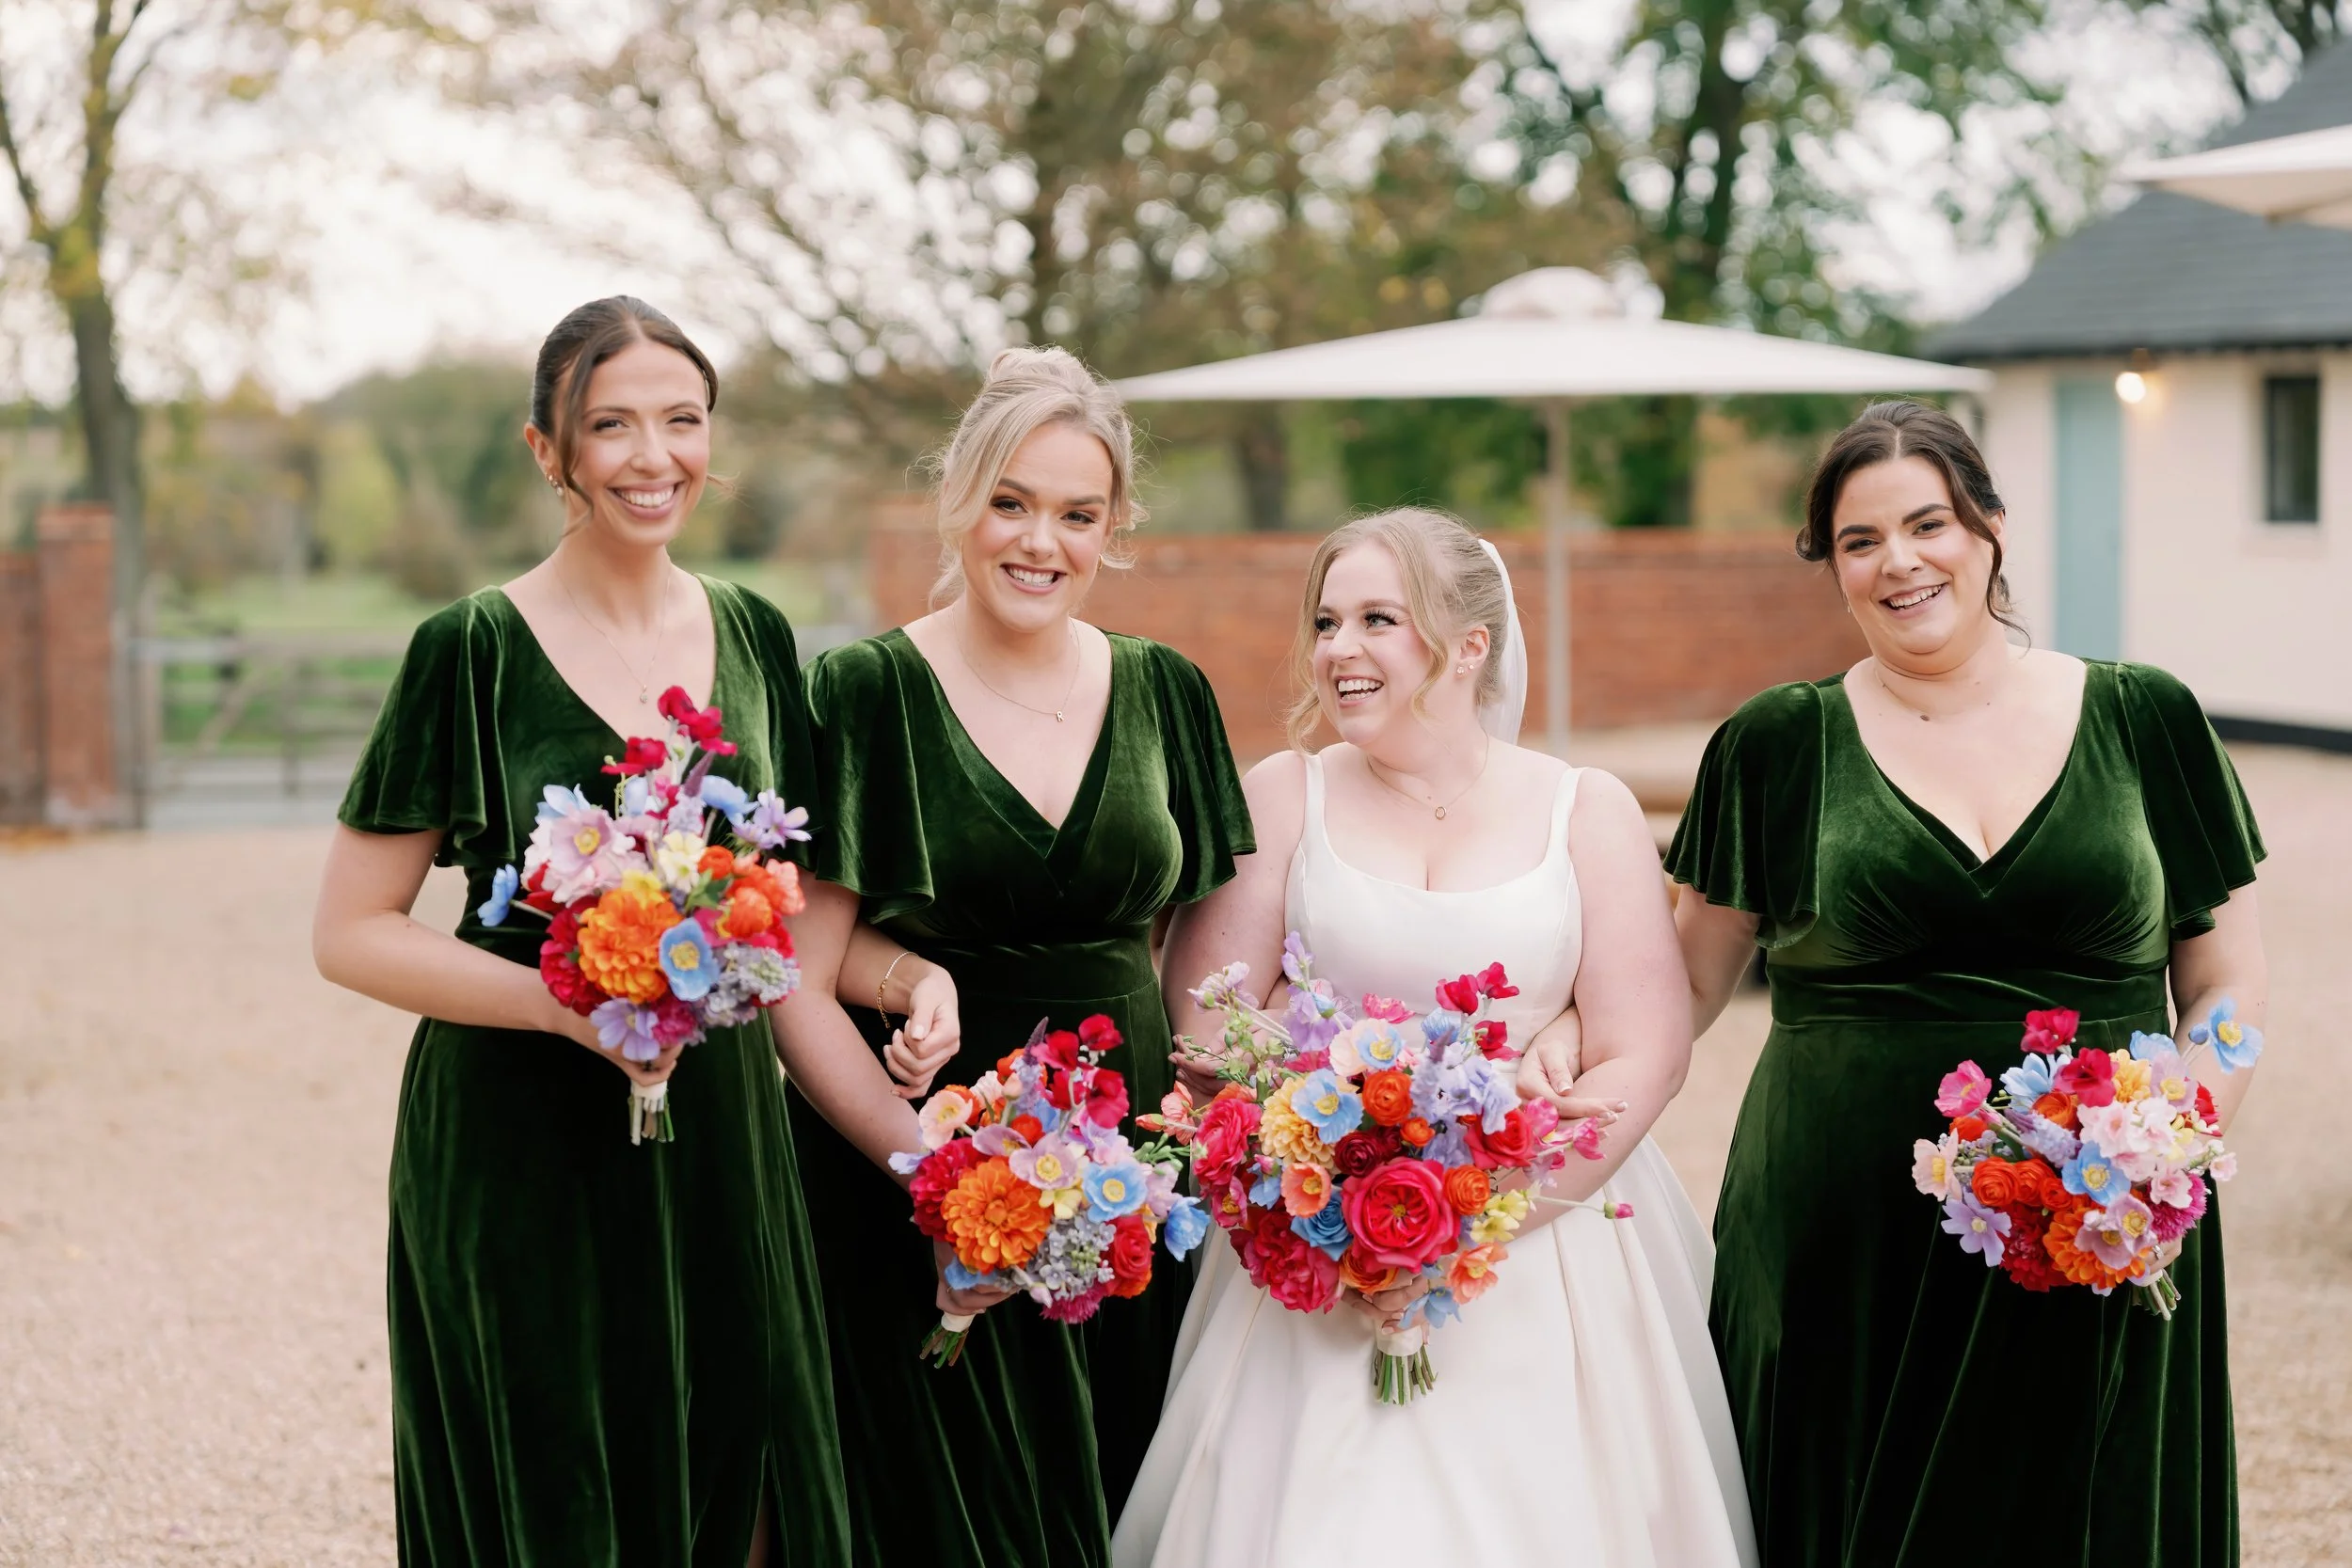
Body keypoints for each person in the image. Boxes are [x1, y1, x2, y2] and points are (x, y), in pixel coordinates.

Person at [314, 295, 955, 1566]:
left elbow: (793, 931)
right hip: (516, 1141)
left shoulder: (759, 637)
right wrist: (569, 1005)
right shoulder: (471, 652)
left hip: (723, 1135)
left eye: (682, 419)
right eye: (611, 424)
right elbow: (353, 930)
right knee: (554, 1480)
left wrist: (910, 971)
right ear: (548, 450)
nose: (653, 455)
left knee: (742, 1468)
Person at [1660, 401, 2266, 1566]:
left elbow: (2228, 980)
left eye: (1926, 521)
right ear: (1829, 565)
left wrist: (2171, 1147)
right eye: (1857, 540)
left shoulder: (2147, 718)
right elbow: (1680, 988)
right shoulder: (1777, 745)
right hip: (1842, 1229)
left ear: (1988, 526)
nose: (1899, 561)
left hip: (2101, 1214)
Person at [1112, 507, 1756, 1568]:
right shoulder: (1284, 795)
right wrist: (1339, 1206)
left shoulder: (1580, 808)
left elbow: (1646, 1050)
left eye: (1377, 619)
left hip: (1550, 1242)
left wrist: (1478, 1219)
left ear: (1468, 646)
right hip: (1317, 1240)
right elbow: (1204, 1029)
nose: (1338, 650)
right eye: (1326, 621)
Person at [775, 346, 1254, 1567]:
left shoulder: (1166, 693)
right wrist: (921, 1164)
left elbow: (1207, 948)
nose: (1041, 540)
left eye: (1077, 512)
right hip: (922, 1180)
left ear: (1114, 526)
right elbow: (798, 975)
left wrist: (1201, 1111)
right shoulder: (863, 693)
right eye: (1012, 502)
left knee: (1121, 1489)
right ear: (959, 500)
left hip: (1126, 1189)